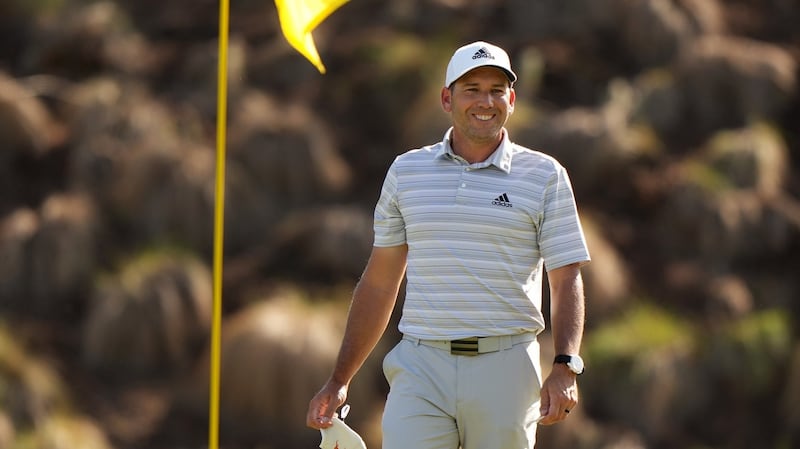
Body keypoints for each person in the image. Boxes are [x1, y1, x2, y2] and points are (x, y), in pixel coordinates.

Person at [306, 40, 591, 449]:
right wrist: (339, 380)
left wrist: (565, 365)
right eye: (471, 89)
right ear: (446, 99)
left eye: (496, 90)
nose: (485, 101)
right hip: (422, 364)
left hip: (505, 366)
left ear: (511, 99)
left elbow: (566, 280)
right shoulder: (407, 172)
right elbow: (380, 282)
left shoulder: (545, 175)